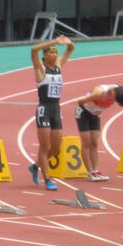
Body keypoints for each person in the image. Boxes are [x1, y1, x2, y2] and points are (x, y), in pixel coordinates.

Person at [28, 35, 75, 191]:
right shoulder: (40, 68)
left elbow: (70, 49)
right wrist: (54, 41)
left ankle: (35, 166)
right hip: (44, 110)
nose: (55, 55)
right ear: (45, 55)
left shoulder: (58, 65)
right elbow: (33, 49)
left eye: (56, 52)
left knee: (55, 149)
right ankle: (47, 179)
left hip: (56, 109)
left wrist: (67, 42)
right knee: (44, 146)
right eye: (52, 52)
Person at [74, 84, 123, 182]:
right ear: (113, 93)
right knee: (86, 143)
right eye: (114, 99)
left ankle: (95, 170)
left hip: (95, 116)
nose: (113, 101)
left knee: (94, 143)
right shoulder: (99, 93)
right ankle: (89, 172)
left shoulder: (120, 92)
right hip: (84, 114)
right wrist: (91, 99)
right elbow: (80, 101)